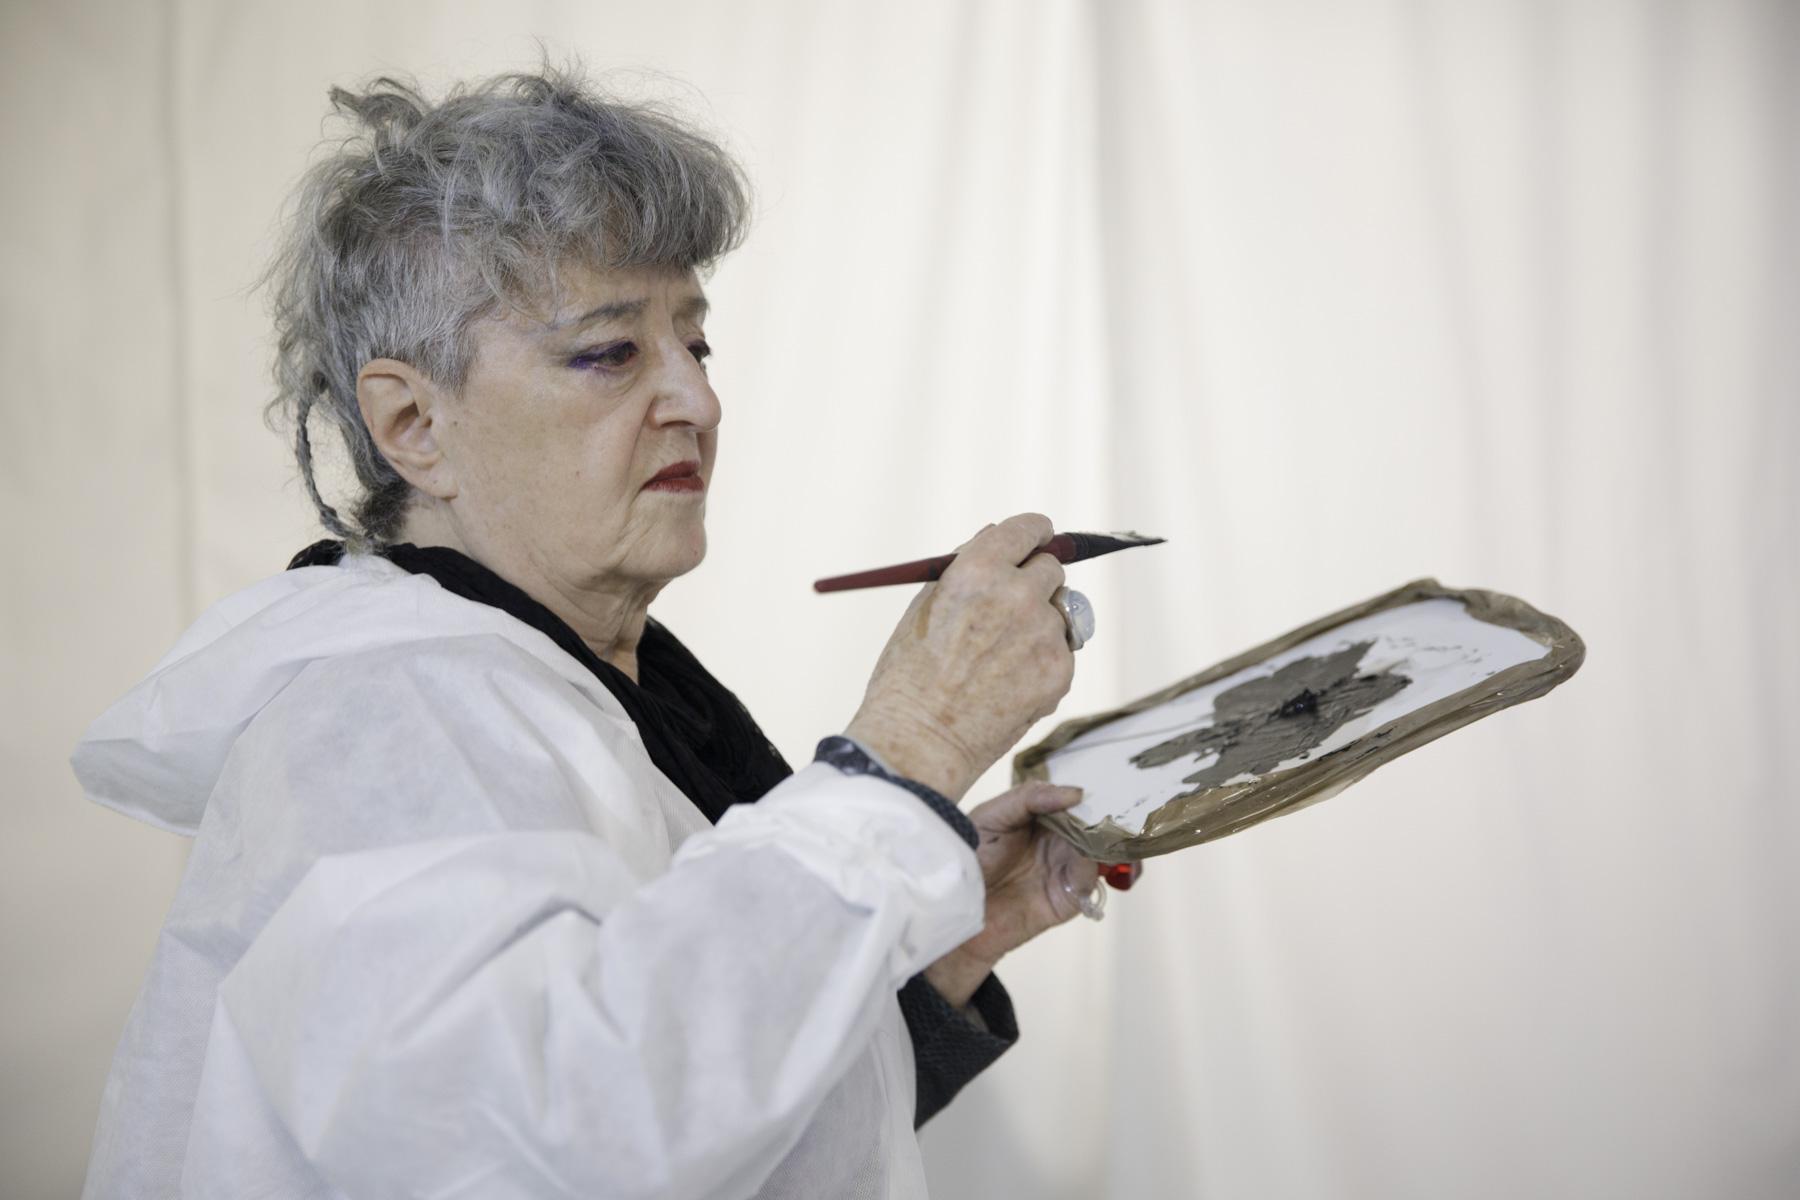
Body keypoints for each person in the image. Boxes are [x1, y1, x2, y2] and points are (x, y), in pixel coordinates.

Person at [72, 61, 1113, 1199]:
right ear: (412, 423)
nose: (699, 402)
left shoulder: (603, 697)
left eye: (695, 346)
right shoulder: (386, 719)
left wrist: (936, 951)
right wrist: (914, 744)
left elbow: (723, 1122)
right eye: (610, 352)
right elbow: (548, 1144)